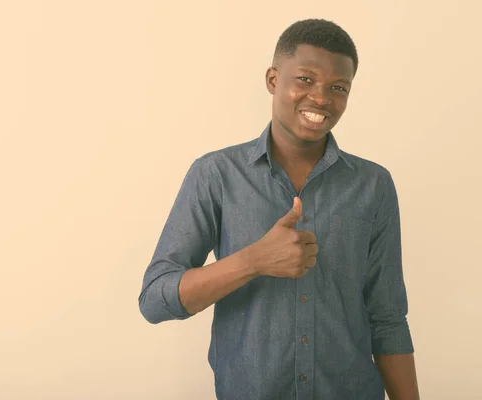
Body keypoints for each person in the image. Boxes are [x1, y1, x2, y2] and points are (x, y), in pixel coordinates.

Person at [138, 18, 419, 400]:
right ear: (273, 80)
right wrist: (253, 260)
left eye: (338, 87)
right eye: (305, 79)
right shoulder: (215, 175)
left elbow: (387, 318)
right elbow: (155, 300)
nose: (321, 98)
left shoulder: (373, 185)